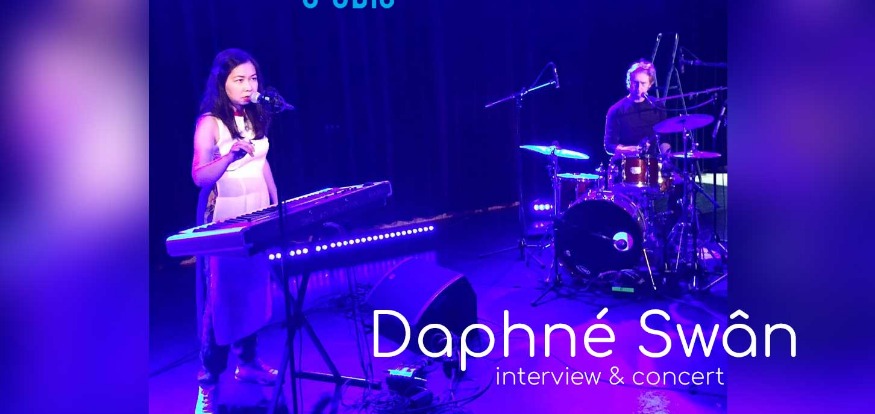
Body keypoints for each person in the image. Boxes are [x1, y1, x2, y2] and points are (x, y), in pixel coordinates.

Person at [191, 48, 280, 414]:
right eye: (239, 80)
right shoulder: (210, 123)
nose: (248, 86)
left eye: (252, 79)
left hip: (257, 210)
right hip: (226, 214)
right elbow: (200, 176)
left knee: (253, 290)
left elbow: (262, 161)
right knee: (221, 301)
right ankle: (208, 384)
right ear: (222, 83)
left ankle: (248, 362)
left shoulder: (255, 114)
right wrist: (229, 156)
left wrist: (276, 204)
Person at [603, 59, 669, 158]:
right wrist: (629, 150)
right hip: (625, 162)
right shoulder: (616, 110)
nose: (638, 88)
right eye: (635, 83)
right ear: (629, 82)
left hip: (651, 162)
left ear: (650, 85)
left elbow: (664, 139)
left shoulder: (657, 106)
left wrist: (667, 158)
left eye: (643, 83)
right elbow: (609, 146)